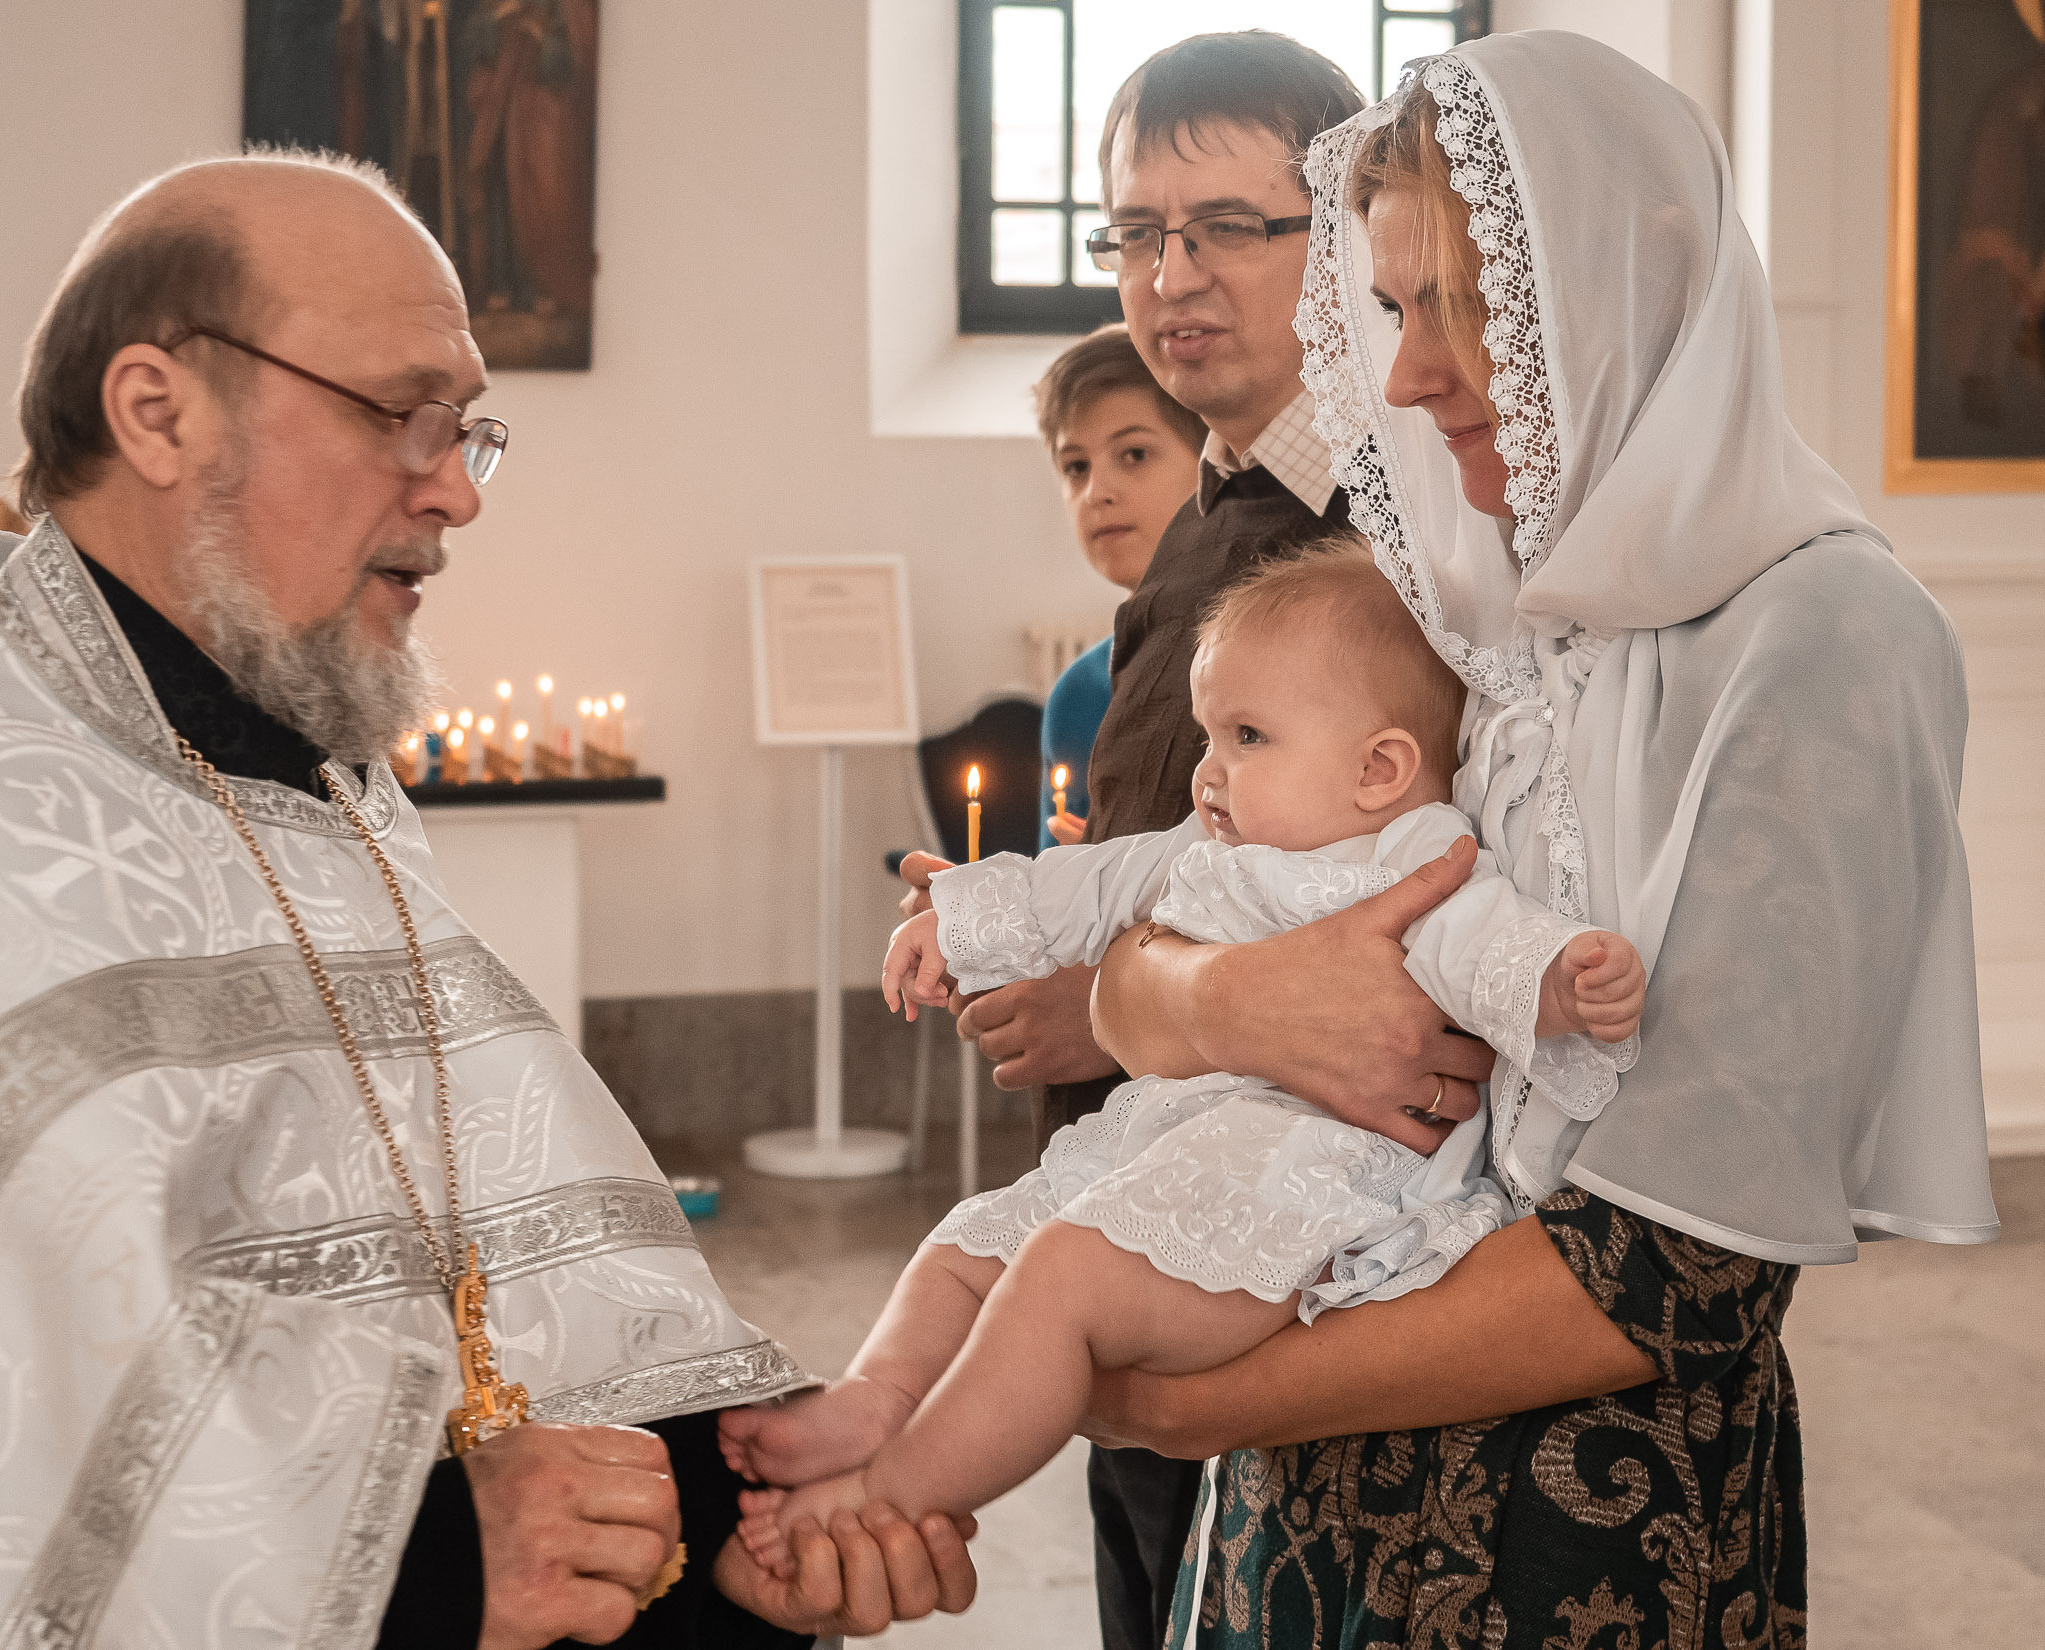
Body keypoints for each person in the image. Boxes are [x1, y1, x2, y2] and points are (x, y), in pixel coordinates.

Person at [0, 152, 975, 1650]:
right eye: (403, 413)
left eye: (469, 430)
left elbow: (481, 1263)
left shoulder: (312, 766)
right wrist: (422, 1575)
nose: (454, 486)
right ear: (158, 409)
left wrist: (735, 1508)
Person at [1076, 34, 2001, 1647]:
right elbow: (1167, 926)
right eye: (1390, 310)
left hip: (1569, 1524)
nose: (1415, 375)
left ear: (1631, 286)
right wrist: (1216, 1006)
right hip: (1291, 1506)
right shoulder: (1456, 592)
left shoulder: (1822, 632)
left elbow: (1680, 1263)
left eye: (1469, 305)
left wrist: (1194, 1399)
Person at [723, 549, 1645, 1567]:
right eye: (1211, 733)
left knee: (1056, 1282)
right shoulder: (1205, 849)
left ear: (1376, 768)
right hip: (1172, 1151)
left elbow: (1485, 947)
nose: (1207, 770)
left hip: (1304, 1181)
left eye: (1246, 736)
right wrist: (959, 920)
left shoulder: (1415, 861)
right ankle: (874, 1399)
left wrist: (1560, 978)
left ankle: (890, 1499)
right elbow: (1084, 886)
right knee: (967, 1245)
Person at [915, 35, 1381, 1647]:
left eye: (1228, 226)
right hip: (1132, 1140)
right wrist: (1056, 938)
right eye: (1132, 233)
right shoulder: (1220, 495)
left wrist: (1110, 988)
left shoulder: (1398, 524)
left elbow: (1379, 888)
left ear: (1351, 228)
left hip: (1270, 1198)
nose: (1169, 274)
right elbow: (1184, 821)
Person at [1029, 324, 1204, 848]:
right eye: (1075, 467)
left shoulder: (1276, 654)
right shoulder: (1080, 694)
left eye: (1133, 455)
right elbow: (1051, 887)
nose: (1096, 492)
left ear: (1214, 462)